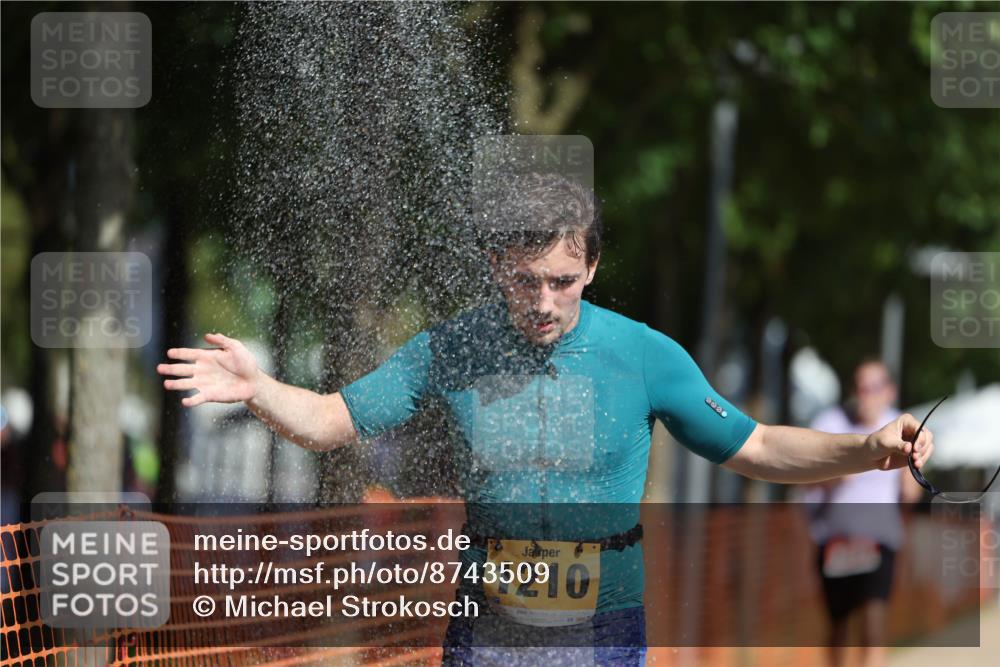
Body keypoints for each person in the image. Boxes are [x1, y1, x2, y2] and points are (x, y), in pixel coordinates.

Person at [158, 174, 934, 665]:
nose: (542, 301)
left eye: (562, 280)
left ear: (592, 266)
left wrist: (867, 447)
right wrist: (257, 387)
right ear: (498, 264)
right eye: (526, 280)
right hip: (486, 621)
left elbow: (758, 444)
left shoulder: (644, 354)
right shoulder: (451, 347)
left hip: (604, 623)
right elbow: (331, 419)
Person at [804, 360, 925, 667]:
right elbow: (806, 476)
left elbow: (910, 494)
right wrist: (838, 470)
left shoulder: (900, 428)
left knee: (874, 623)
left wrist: (913, 477)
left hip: (878, 539)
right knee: (839, 624)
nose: (865, 394)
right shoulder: (830, 422)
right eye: (860, 387)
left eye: (873, 387)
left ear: (889, 392)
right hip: (835, 539)